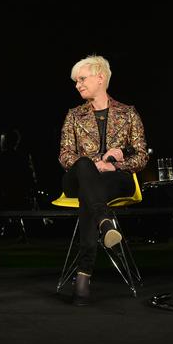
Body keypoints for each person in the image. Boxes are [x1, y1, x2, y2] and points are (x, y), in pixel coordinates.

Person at [58, 55, 148, 306]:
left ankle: (84, 274)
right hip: (77, 178)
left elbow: (141, 158)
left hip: (115, 180)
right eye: (76, 81)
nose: (77, 85)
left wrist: (116, 162)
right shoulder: (74, 115)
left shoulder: (128, 113)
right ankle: (104, 222)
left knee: (92, 197)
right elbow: (65, 156)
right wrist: (94, 164)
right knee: (85, 167)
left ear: (101, 78)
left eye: (82, 79)